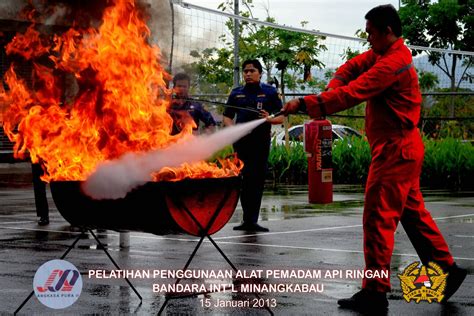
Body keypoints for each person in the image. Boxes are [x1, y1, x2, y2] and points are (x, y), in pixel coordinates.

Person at [282, 4, 466, 313]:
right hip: (402, 149)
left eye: (371, 34)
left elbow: (353, 93)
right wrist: (334, 83)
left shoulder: (391, 64)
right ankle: (445, 269)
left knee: (378, 218)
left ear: (388, 32)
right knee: (413, 214)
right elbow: (352, 68)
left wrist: (304, 102)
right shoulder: (382, 54)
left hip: (396, 150)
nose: (368, 40)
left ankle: (375, 292)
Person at [223, 59, 284, 232]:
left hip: (260, 144)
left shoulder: (270, 92)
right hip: (241, 144)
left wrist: (269, 118)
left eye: (252, 71)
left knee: (256, 181)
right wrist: (233, 130)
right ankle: (246, 220)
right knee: (243, 180)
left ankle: (252, 220)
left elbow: (281, 117)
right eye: (245, 71)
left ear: (260, 73)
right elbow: (227, 117)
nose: (248, 74)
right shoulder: (236, 93)